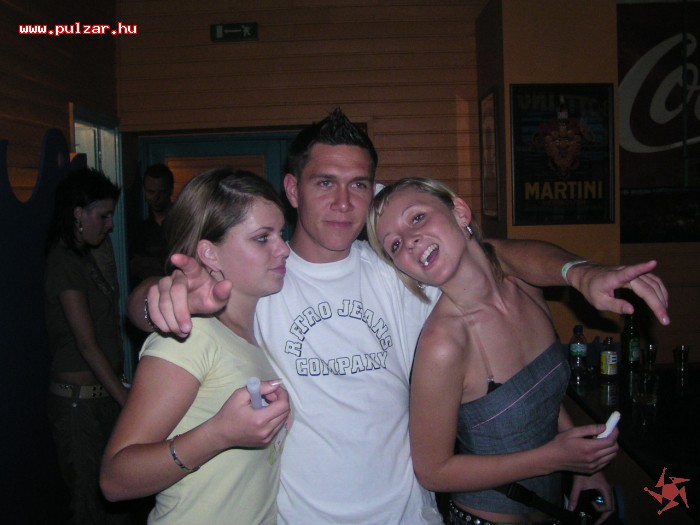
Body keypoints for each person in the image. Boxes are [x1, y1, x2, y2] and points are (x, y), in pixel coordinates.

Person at [128, 109, 669, 524]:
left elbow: (493, 259)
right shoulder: (264, 276)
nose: (344, 202)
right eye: (325, 182)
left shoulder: (398, 268)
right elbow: (154, 309)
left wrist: (579, 272)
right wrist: (156, 297)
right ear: (293, 189)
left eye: (359, 184)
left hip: (411, 514)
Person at [367, 177, 617, 525]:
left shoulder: (524, 284)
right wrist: (554, 459)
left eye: (418, 218)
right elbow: (433, 472)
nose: (409, 241)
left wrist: (585, 467)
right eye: (394, 245)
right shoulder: (443, 345)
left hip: (553, 508)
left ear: (459, 211)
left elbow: (537, 393)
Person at [100, 169, 292, 524]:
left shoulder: (253, 334)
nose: (284, 249)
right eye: (263, 238)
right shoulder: (191, 336)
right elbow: (115, 479)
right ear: (210, 254)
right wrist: (219, 434)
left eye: (281, 234)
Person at [44, 168, 133, 524]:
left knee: (117, 501)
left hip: (101, 398)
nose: (109, 225)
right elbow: (86, 343)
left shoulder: (88, 256)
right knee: (88, 506)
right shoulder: (63, 261)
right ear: (78, 213)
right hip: (78, 404)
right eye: (103, 216)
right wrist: (126, 399)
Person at [129, 163, 174, 285]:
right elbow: (134, 267)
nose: (156, 197)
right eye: (151, 192)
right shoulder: (140, 230)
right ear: (144, 191)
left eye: (161, 192)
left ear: (170, 191)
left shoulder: (182, 223)